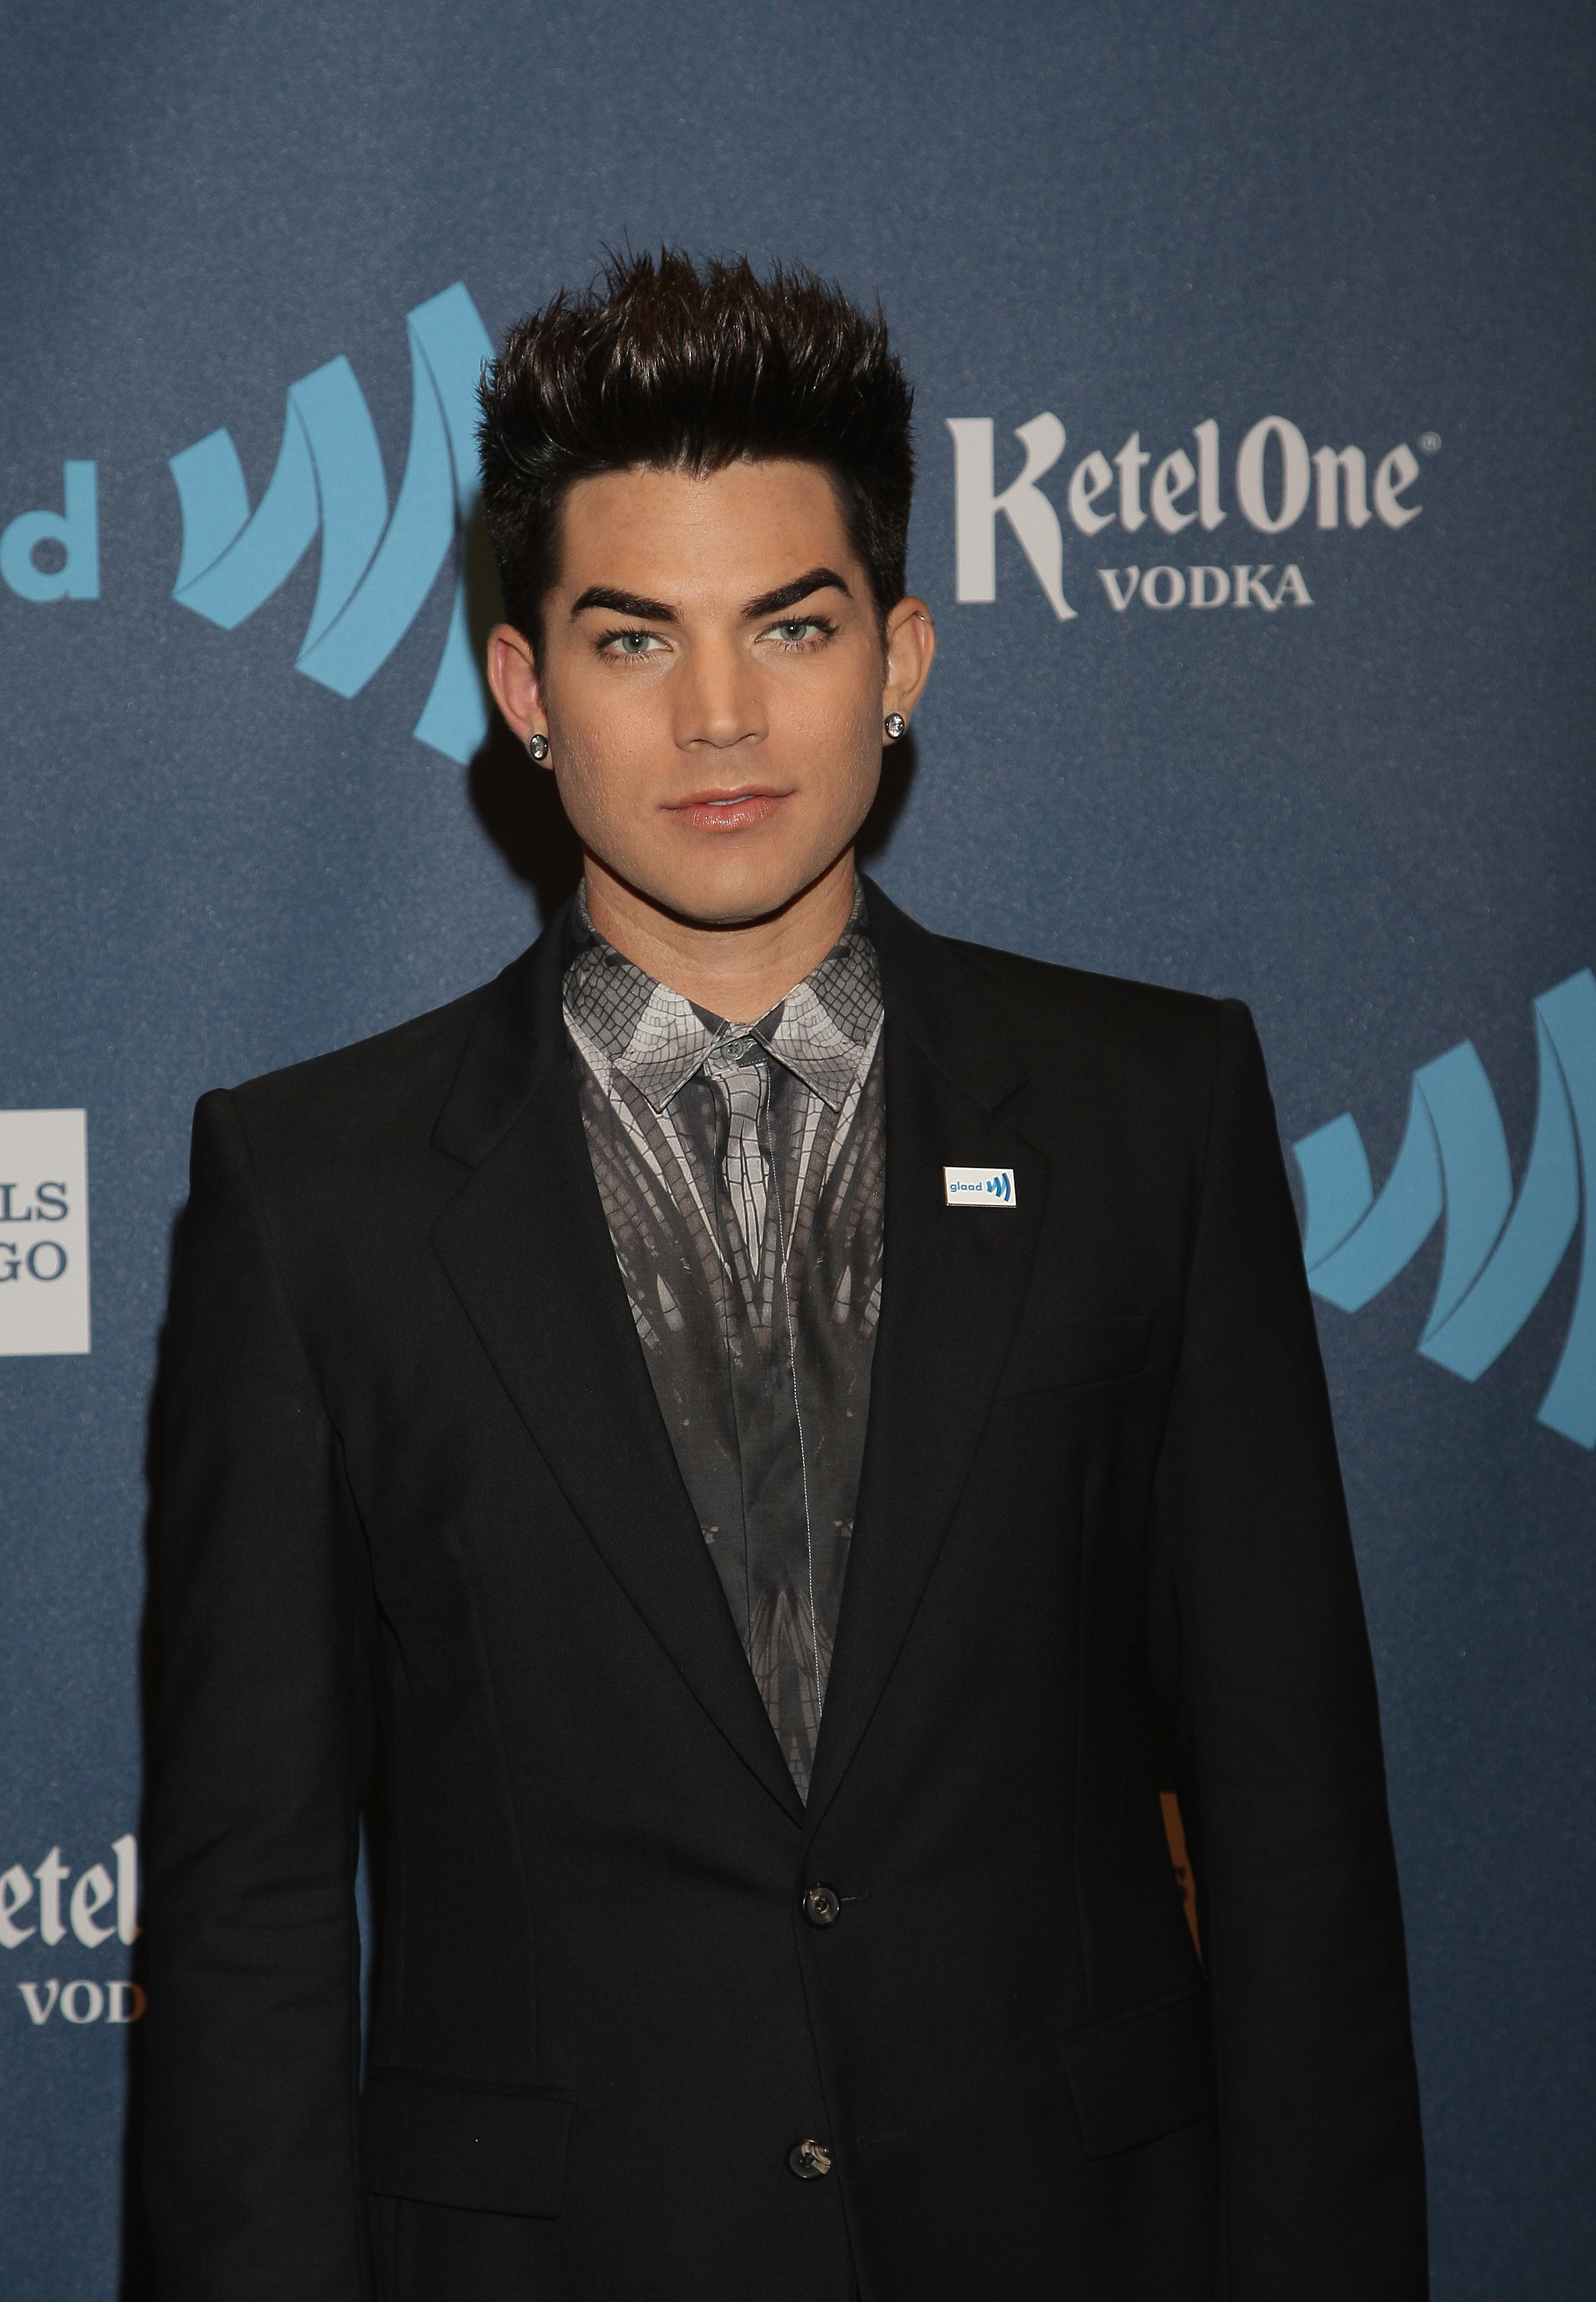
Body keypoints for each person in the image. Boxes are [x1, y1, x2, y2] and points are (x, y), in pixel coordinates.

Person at [144, 252, 1428, 2301]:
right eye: (633, 636)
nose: (722, 716)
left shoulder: (1152, 1116)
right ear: (521, 688)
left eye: (793, 626)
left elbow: (1295, 1834)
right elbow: (249, 1918)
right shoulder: (312, 1195)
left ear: (900, 656)